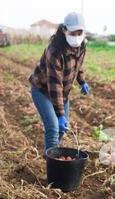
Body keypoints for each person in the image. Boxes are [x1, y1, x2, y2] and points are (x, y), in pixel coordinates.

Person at [29, 12, 89, 156]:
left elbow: (78, 66)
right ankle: (52, 162)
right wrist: (60, 114)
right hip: (42, 90)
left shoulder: (81, 46)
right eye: (72, 32)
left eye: (79, 32)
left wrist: (82, 81)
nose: (76, 36)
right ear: (64, 30)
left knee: (62, 129)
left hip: (62, 93)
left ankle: (52, 154)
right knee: (54, 127)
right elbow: (54, 84)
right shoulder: (54, 50)